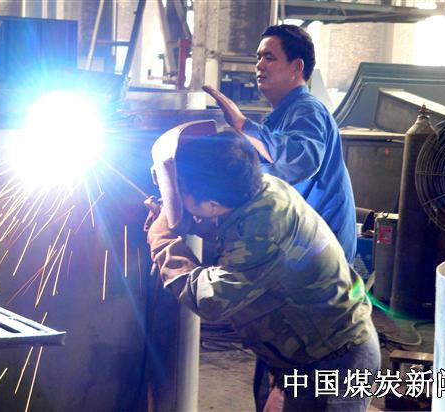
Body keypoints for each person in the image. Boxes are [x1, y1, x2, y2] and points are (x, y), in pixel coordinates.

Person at [146, 131, 380, 411]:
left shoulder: (263, 230)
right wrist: (187, 221)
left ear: (212, 205)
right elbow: (232, 231)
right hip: (294, 355)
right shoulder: (259, 187)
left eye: (181, 194)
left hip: (333, 363)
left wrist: (163, 241)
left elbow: (212, 299)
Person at [203, 24, 356, 263]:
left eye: (269, 57)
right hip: (303, 246)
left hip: (320, 253)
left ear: (297, 67)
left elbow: (301, 161)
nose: (259, 65)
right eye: (259, 57)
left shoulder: (308, 110)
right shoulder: (280, 116)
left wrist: (242, 124)